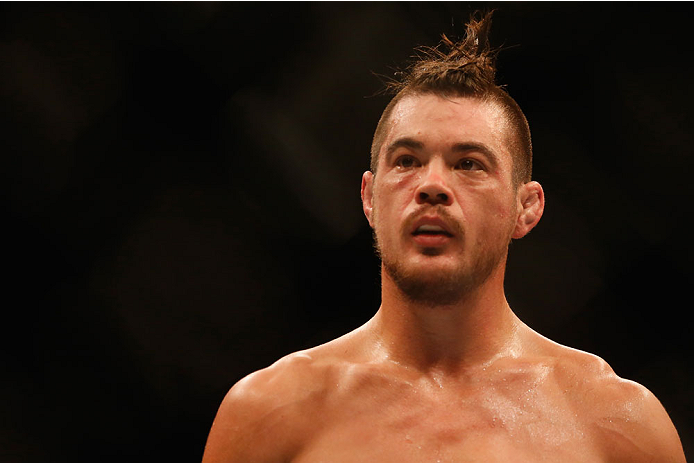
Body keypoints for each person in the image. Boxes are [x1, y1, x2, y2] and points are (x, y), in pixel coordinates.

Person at [202, 13, 686, 462]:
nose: (432, 185)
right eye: (407, 161)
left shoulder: (616, 425)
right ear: (370, 199)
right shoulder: (270, 413)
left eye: (468, 164)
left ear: (527, 207)